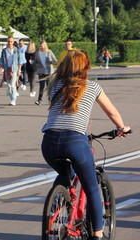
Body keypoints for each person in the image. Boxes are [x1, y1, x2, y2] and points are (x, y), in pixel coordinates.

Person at [41, 50, 131, 240]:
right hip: (75, 143)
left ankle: (58, 205)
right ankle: (97, 235)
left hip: (48, 143)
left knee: (64, 174)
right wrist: (122, 127)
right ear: (86, 68)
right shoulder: (92, 87)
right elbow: (112, 112)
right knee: (91, 189)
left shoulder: (55, 85)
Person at [0, 36, 22, 106]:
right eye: (8, 41)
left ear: (13, 42)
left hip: (14, 69)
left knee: (12, 85)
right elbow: (2, 60)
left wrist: (19, 70)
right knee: (9, 85)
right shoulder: (4, 50)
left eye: (11, 41)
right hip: (7, 69)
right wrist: (1, 67)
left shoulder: (16, 50)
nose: (10, 43)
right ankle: (11, 95)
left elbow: (20, 61)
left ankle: (13, 100)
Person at [34, 40, 58, 105]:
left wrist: (52, 61)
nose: (41, 47)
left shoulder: (49, 52)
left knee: (49, 87)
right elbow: (35, 61)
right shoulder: (37, 53)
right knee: (41, 87)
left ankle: (50, 100)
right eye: (40, 46)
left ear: (45, 46)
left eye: (42, 46)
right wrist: (32, 62)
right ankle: (39, 100)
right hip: (41, 72)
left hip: (49, 72)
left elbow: (55, 60)